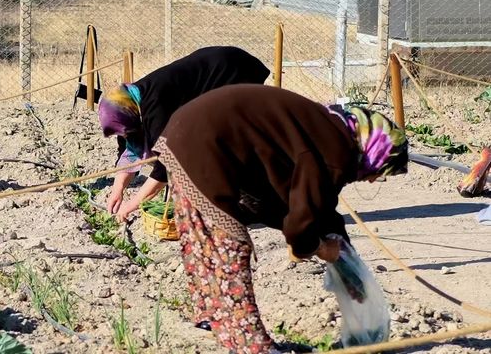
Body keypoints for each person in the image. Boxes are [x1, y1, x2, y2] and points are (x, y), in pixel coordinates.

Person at [151, 84, 408, 354]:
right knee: (229, 247)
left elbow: (307, 204)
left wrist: (347, 264)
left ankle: (211, 319)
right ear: (377, 150)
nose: (373, 179)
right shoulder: (336, 153)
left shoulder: (331, 133)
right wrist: (318, 248)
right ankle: (253, 347)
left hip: (187, 132)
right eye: (383, 171)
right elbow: (302, 221)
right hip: (205, 144)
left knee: (203, 241)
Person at [98, 46, 270, 221]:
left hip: (231, 71)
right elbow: (129, 152)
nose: (124, 136)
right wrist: (117, 189)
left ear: (130, 116)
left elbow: (166, 166)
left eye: (124, 132)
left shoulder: (155, 109)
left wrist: (131, 205)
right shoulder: (127, 106)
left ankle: (252, 203)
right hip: (212, 69)